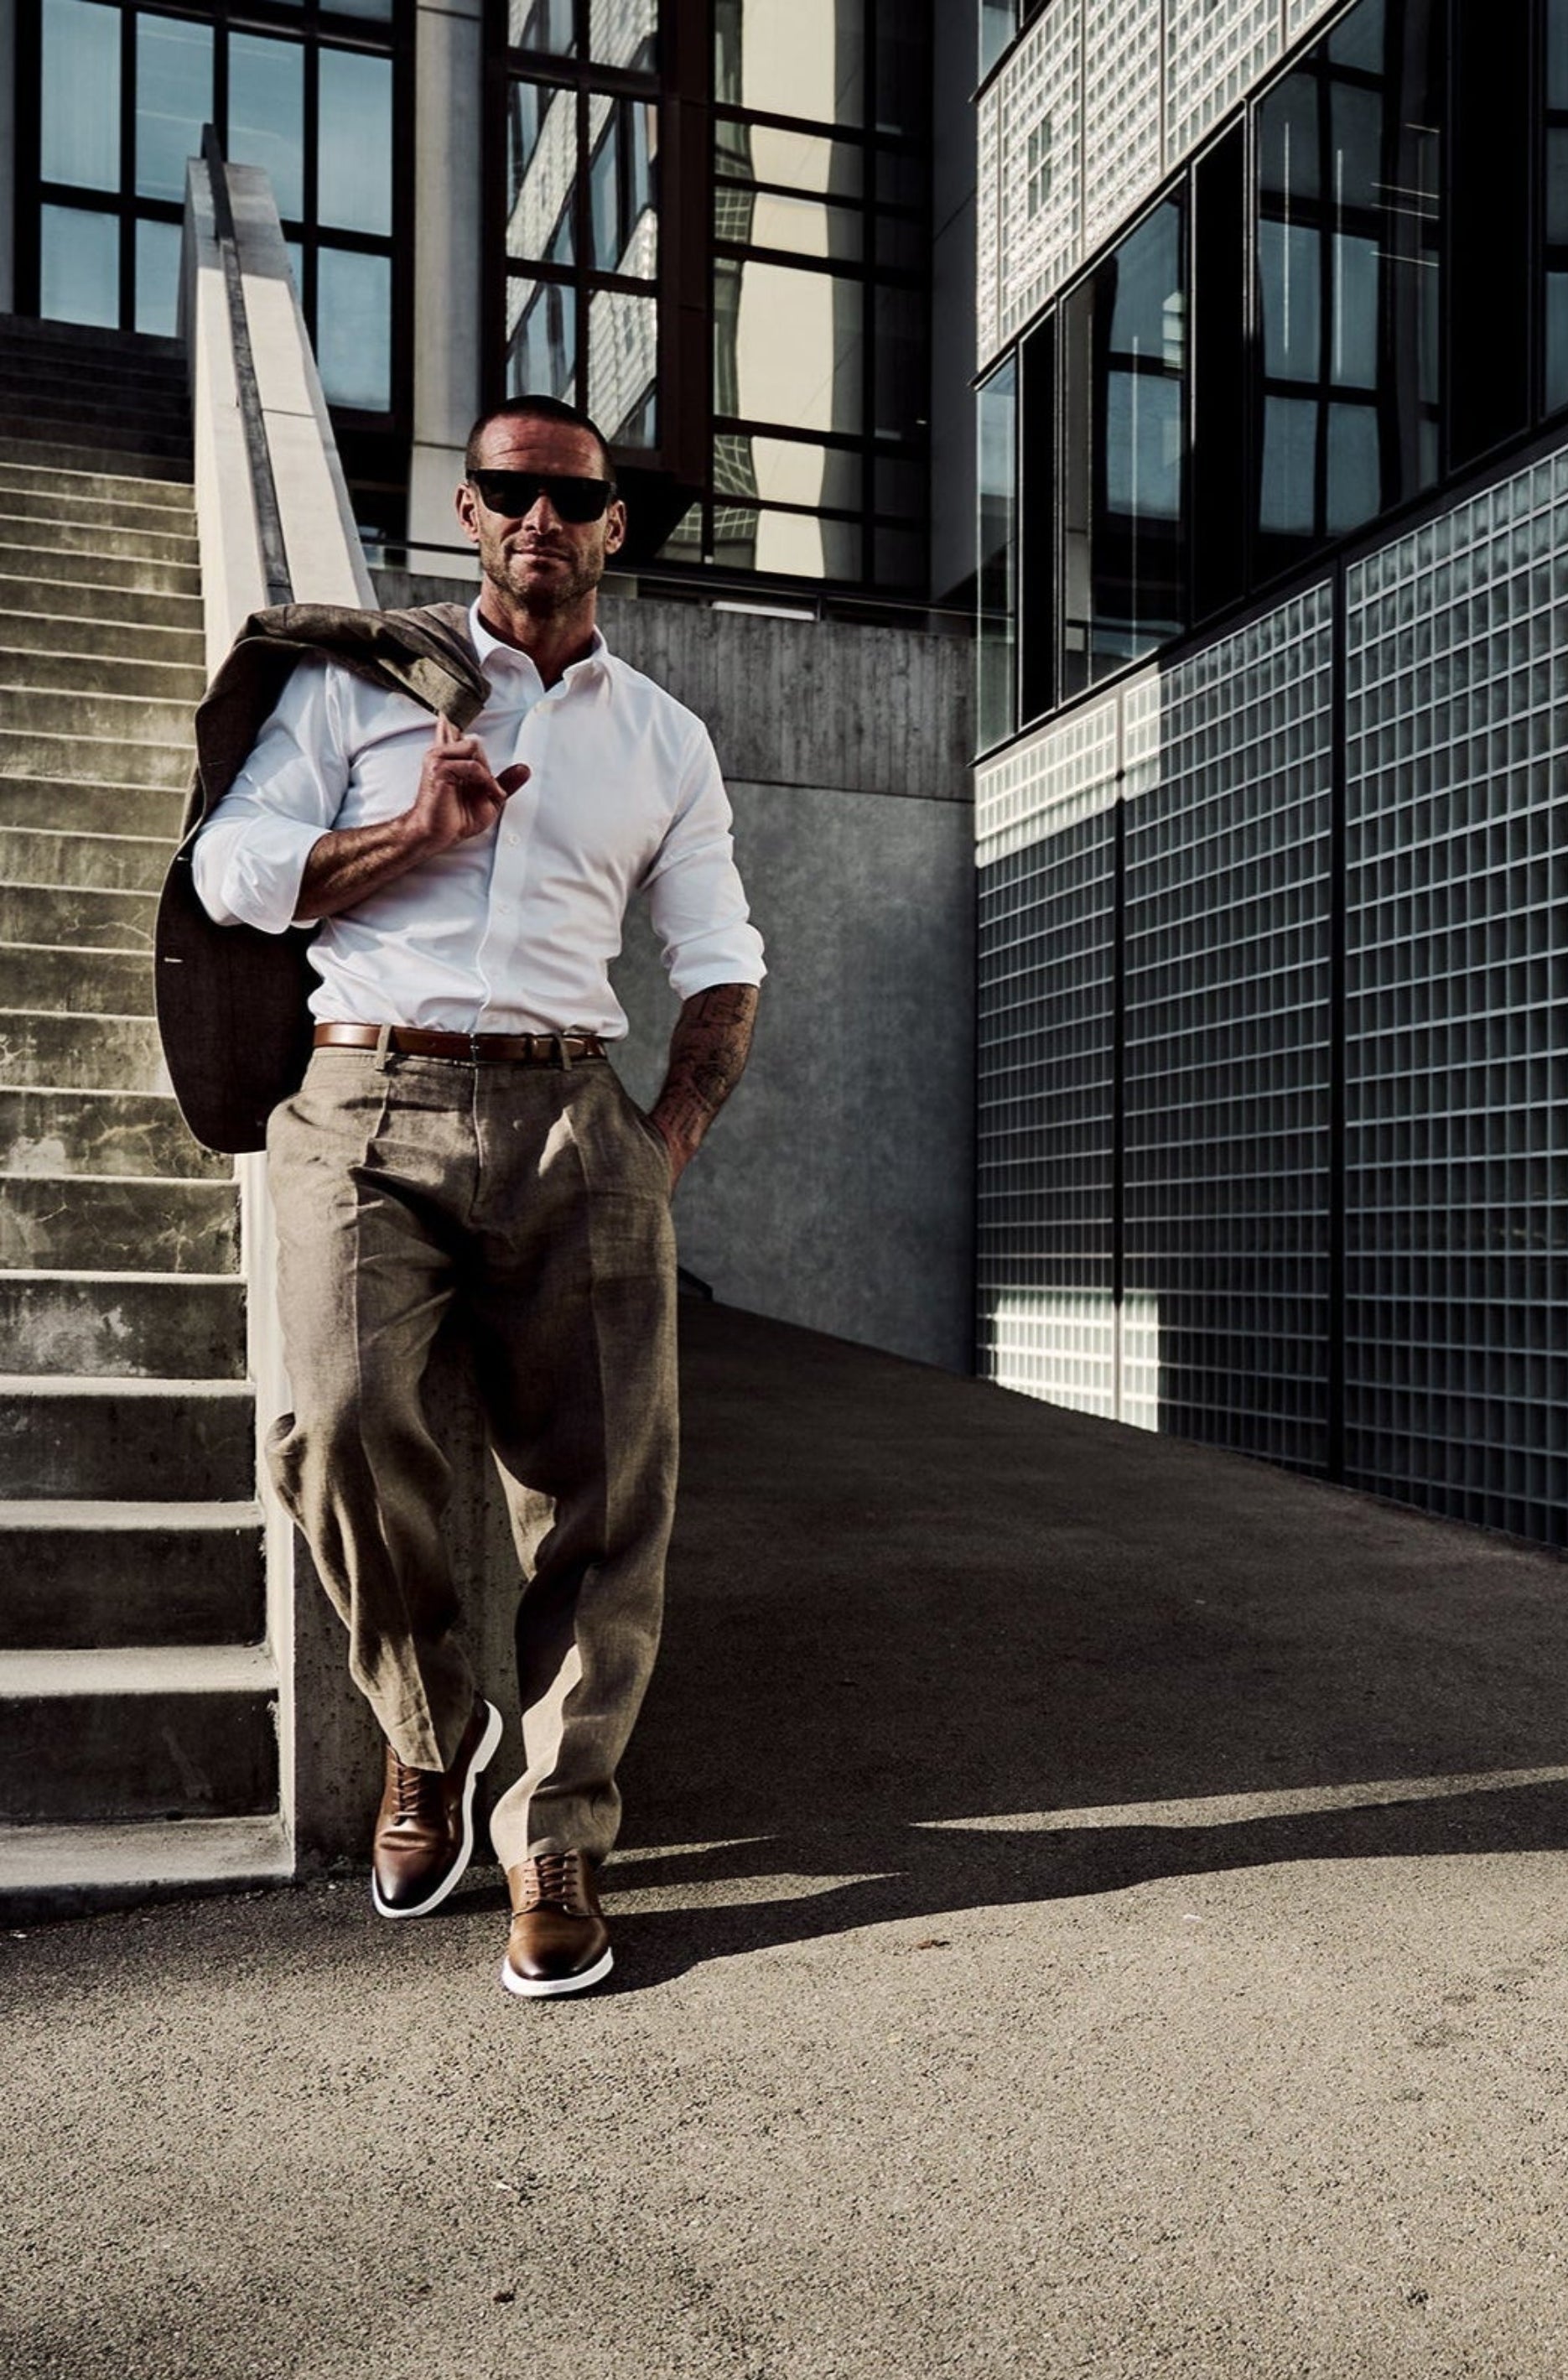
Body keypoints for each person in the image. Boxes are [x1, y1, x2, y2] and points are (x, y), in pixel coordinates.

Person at [190, 396, 766, 1998]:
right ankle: (432, 1738)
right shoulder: (360, 682)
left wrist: (666, 1134)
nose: (539, 518)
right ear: (466, 511)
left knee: (603, 1484)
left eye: (569, 496)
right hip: (361, 1088)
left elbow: (719, 958)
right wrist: (415, 829)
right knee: (336, 1412)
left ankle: (561, 1824)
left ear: (610, 528)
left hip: (574, 1104)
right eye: (509, 490)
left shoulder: (663, 738)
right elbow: (236, 869)